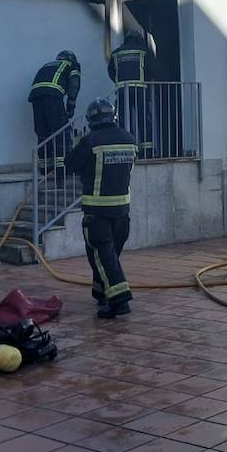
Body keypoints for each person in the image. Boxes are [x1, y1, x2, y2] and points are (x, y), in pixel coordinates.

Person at [65, 97, 137, 319]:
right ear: (113, 116)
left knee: (102, 255)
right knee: (109, 256)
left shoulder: (90, 141)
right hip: (123, 210)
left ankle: (119, 300)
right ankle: (101, 293)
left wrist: (78, 143)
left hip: (97, 211)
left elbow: (71, 165)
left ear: (90, 120)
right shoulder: (129, 139)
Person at [27, 50, 80, 169]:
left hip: (36, 97)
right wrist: (70, 108)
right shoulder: (71, 65)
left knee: (43, 132)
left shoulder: (48, 65)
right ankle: (62, 167)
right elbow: (74, 87)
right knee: (61, 130)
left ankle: (45, 167)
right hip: (52, 96)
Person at [108, 31, 152, 156]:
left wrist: (119, 81)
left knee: (124, 121)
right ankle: (147, 150)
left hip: (122, 90)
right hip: (140, 89)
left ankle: (127, 149)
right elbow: (150, 69)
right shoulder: (143, 51)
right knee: (143, 119)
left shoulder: (116, 53)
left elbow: (111, 71)